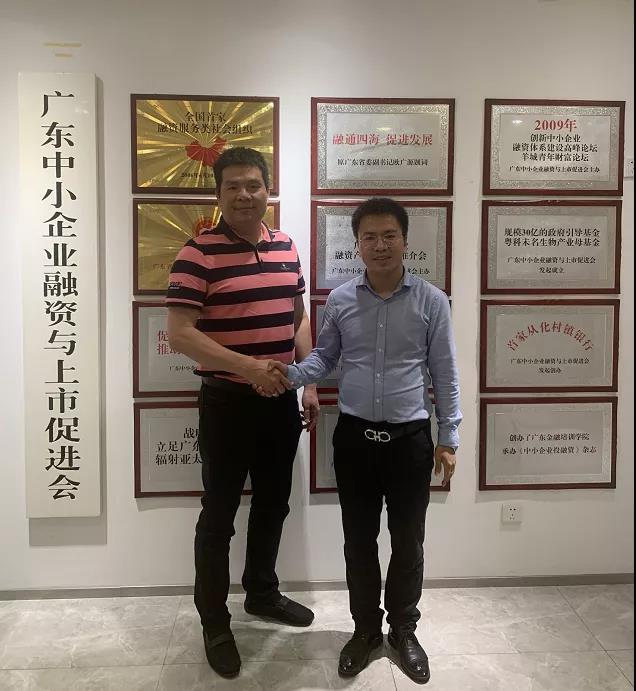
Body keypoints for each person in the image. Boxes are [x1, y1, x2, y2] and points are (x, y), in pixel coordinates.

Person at [276, 197, 462, 684]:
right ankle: (364, 631)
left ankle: (403, 630)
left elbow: (445, 374)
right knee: (358, 542)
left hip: (409, 442)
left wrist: (449, 437)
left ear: (405, 240)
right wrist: (289, 375)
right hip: (356, 440)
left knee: (408, 542)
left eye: (389, 236)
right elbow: (324, 360)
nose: (380, 246)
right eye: (369, 237)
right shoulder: (341, 301)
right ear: (357, 244)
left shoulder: (432, 301)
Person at [166, 147, 319, 679]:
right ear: (218, 193)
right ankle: (214, 621)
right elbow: (180, 334)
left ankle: (262, 592)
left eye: (253, 185)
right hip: (227, 404)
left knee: (274, 504)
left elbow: (298, 317)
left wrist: (308, 380)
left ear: (267, 190)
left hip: (279, 402)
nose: (243, 195)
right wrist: (248, 368)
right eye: (232, 186)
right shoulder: (197, 253)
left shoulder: (286, 246)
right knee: (219, 515)